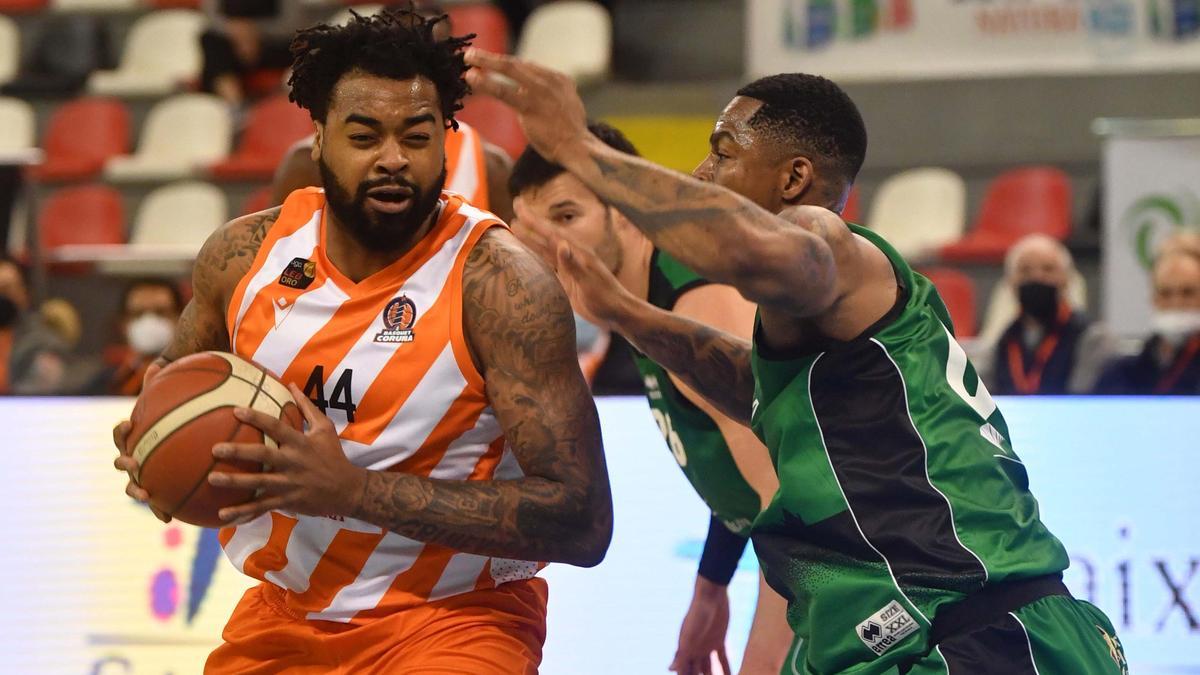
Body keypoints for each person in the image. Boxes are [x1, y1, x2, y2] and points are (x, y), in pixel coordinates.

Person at [466, 50, 1129, 674]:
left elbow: (763, 253)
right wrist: (629, 317)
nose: (701, 173)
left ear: (795, 179)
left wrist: (579, 150)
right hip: (891, 637)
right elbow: (758, 390)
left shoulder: (835, 247)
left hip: (982, 635)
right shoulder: (817, 342)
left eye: (722, 152)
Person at [111, 11, 612, 673]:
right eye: (365, 135)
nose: (394, 158)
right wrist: (154, 450)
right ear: (318, 140)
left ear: (446, 138)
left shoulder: (499, 286)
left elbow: (581, 519)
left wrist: (352, 490)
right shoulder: (242, 257)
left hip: (456, 619)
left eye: (417, 134)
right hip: (286, 615)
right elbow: (174, 384)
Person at [510, 121, 791, 675]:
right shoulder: (643, 301)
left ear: (626, 209)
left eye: (567, 218)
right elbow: (744, 474)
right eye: (530, 232)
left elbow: (794, 509)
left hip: (883, 571)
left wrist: (765, 664)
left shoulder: (694, 304)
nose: (551, 249)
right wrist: (710, 588)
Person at [270, 2, 516, 222]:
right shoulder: (306, 163)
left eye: (430, 56)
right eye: (397, 50)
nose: (411, 68)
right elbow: (279, 261)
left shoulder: (491, 166)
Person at [985, 234, 1110, 395]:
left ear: (1067, 279)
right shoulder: (1003, 340)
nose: (1037, 277)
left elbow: (1083, 399)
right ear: (1010, 282)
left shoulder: (1091, 337)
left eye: (1048, 269)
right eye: (1025, 270)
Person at [1094, 245, 1200, 395]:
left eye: (1188, 292)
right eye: (1165, 293)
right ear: (1153, 299)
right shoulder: (1121, 373)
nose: (1176, 302)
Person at [105, 278, 184, 396]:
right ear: (123, 324)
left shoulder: (199, 380)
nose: (149, 322)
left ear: (181, 319)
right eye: (138, 314)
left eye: (161, 313)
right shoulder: (100, 388)